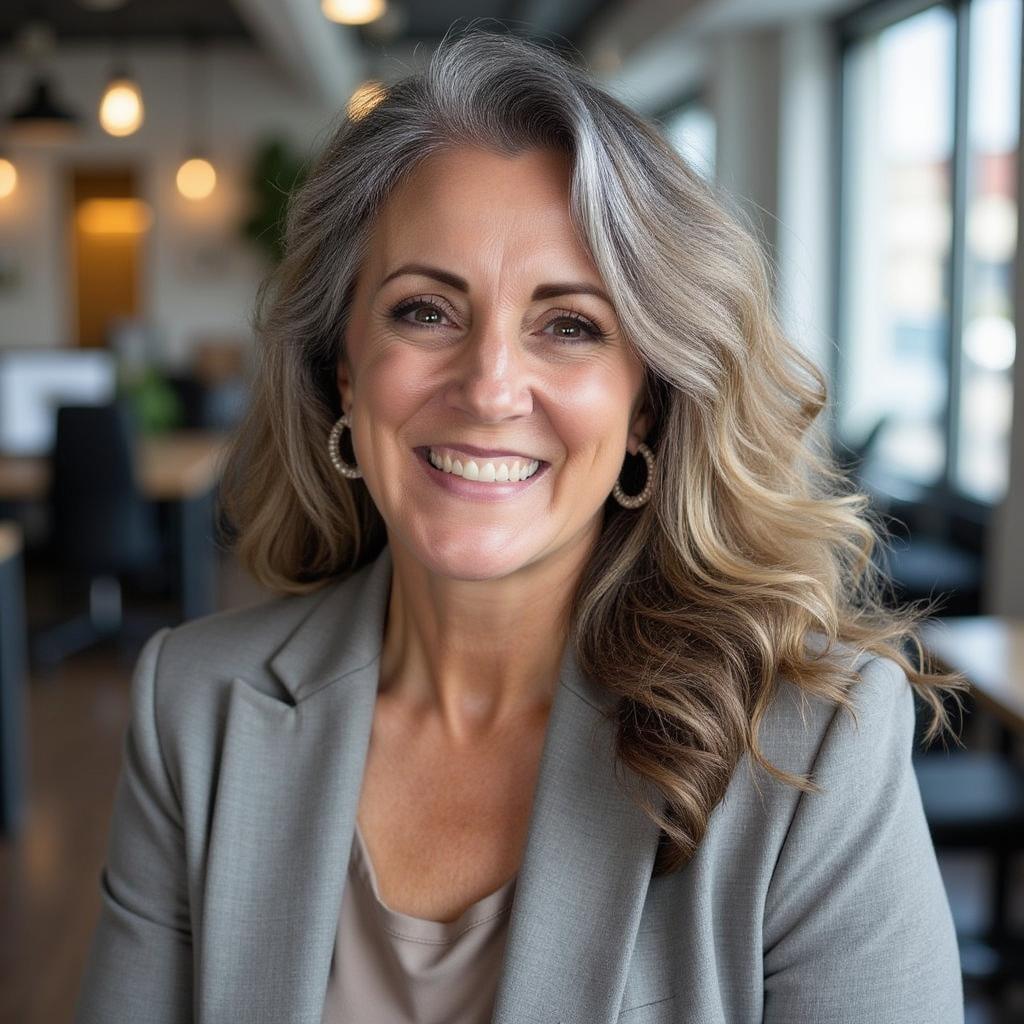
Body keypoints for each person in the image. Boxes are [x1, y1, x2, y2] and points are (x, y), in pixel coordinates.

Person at [74, 26, 967, 1024]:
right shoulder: (198, 708)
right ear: (342, 369)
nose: (490, 387)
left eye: (570, 325)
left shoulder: (806, 753)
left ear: (645, 408)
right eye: (424, 311)